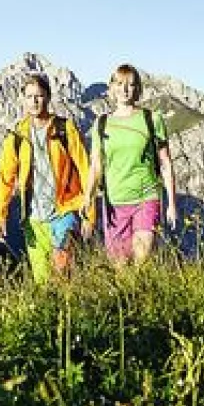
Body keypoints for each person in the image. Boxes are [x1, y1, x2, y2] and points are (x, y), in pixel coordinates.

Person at [0, 74, 92, 285]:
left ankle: (70, 313)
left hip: (65, 211)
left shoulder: (65, 129)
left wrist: (89, 214)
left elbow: (85, 170)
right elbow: (5, 179)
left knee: (63, 270)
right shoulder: (17, 137)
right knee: (43, 282)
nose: (34, 101)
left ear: (48, 97)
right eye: (29, 96)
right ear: (23, 100)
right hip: (33, 220)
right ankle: (56, 317)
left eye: (39, 95)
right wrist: (0, 216)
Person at [84, 64, 177, 265]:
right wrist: (88, 198)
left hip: (146, 196)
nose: (125, 89)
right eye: (120, 84)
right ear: (112, 87)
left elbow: (165, 162)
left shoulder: (151, 119)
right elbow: (96, 165)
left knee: (142, 259)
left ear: (138, 89)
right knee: (121, 267)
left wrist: (171, 203)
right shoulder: (101, 124)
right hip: (115, 202)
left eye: (131, 84)